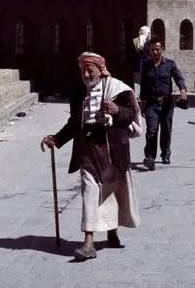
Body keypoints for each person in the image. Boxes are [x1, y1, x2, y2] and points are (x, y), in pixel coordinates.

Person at [43, 52, 141, 262]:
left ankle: (112, 232)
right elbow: (74, 122)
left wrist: (116, 111)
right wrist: (57, 139)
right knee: (89, 191)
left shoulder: (118, 89)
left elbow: (131, 115)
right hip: (87, 149)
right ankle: (88, 242)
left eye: (90, 70)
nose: (86, 74)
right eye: (83, 71)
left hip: (111, 150)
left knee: (111, 192)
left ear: (100, 70)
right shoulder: (79, 92)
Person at [139, 35, 187, 170]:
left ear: (162, 49)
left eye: (157, 49)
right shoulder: (146, 66)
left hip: (167, 103)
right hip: (151, 104)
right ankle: (150, 158)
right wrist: (142, 103)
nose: (155, 52)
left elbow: (179, 78)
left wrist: (183, 91)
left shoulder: (170, 64)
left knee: (166, 130)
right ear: (149, 50)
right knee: (151, 130)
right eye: (152, 50)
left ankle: (165, 154)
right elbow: (143, 85)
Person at [132, 26, 151, 98]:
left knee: (137, 83)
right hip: (146, 65)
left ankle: (138, 97)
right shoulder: (148, 42)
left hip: (137, 65)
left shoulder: (134, 41)